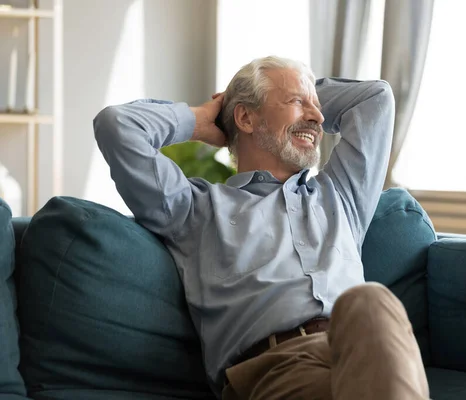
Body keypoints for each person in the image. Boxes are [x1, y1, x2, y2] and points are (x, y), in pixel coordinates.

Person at [94, 56, 429, 400]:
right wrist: (205, 119)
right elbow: (117, 125)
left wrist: (300, 100)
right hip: (276, 369)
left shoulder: (341, 197)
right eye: (298, 102)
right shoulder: (193, 209)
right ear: (246, 117)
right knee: (369, 301)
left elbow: (376, 98)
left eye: (317, 105)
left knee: (371, 304)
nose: (317, 118)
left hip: (361, 352)